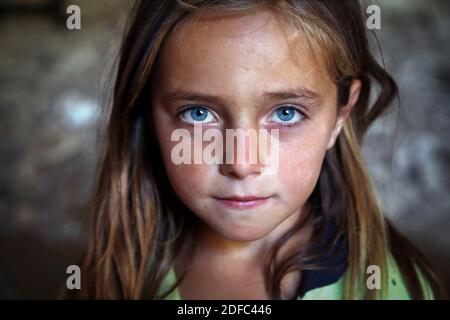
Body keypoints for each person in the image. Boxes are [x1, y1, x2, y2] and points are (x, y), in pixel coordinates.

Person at [72, 0, 443, 299]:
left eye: (286, 112)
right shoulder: (113, 275)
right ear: (148, 112)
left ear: (340, 114)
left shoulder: (387, 288)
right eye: (198, 113)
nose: (242, 163)